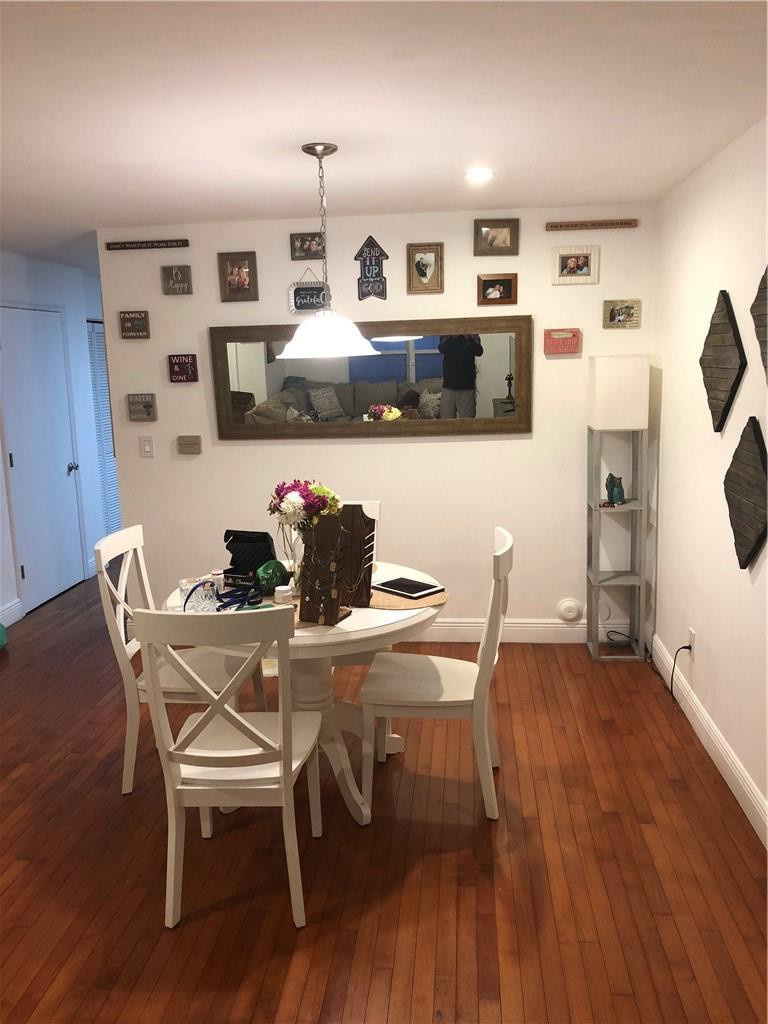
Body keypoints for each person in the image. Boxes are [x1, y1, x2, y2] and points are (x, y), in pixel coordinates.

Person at [438, 334, 483, 419]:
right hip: (448, 386)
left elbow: (479, 351)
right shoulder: (447, 332)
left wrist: (467, 337)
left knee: (467, 425)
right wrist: (455, 337)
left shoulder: (472, 333)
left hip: (467, 387)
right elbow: (442, 348)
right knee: (446, 423)